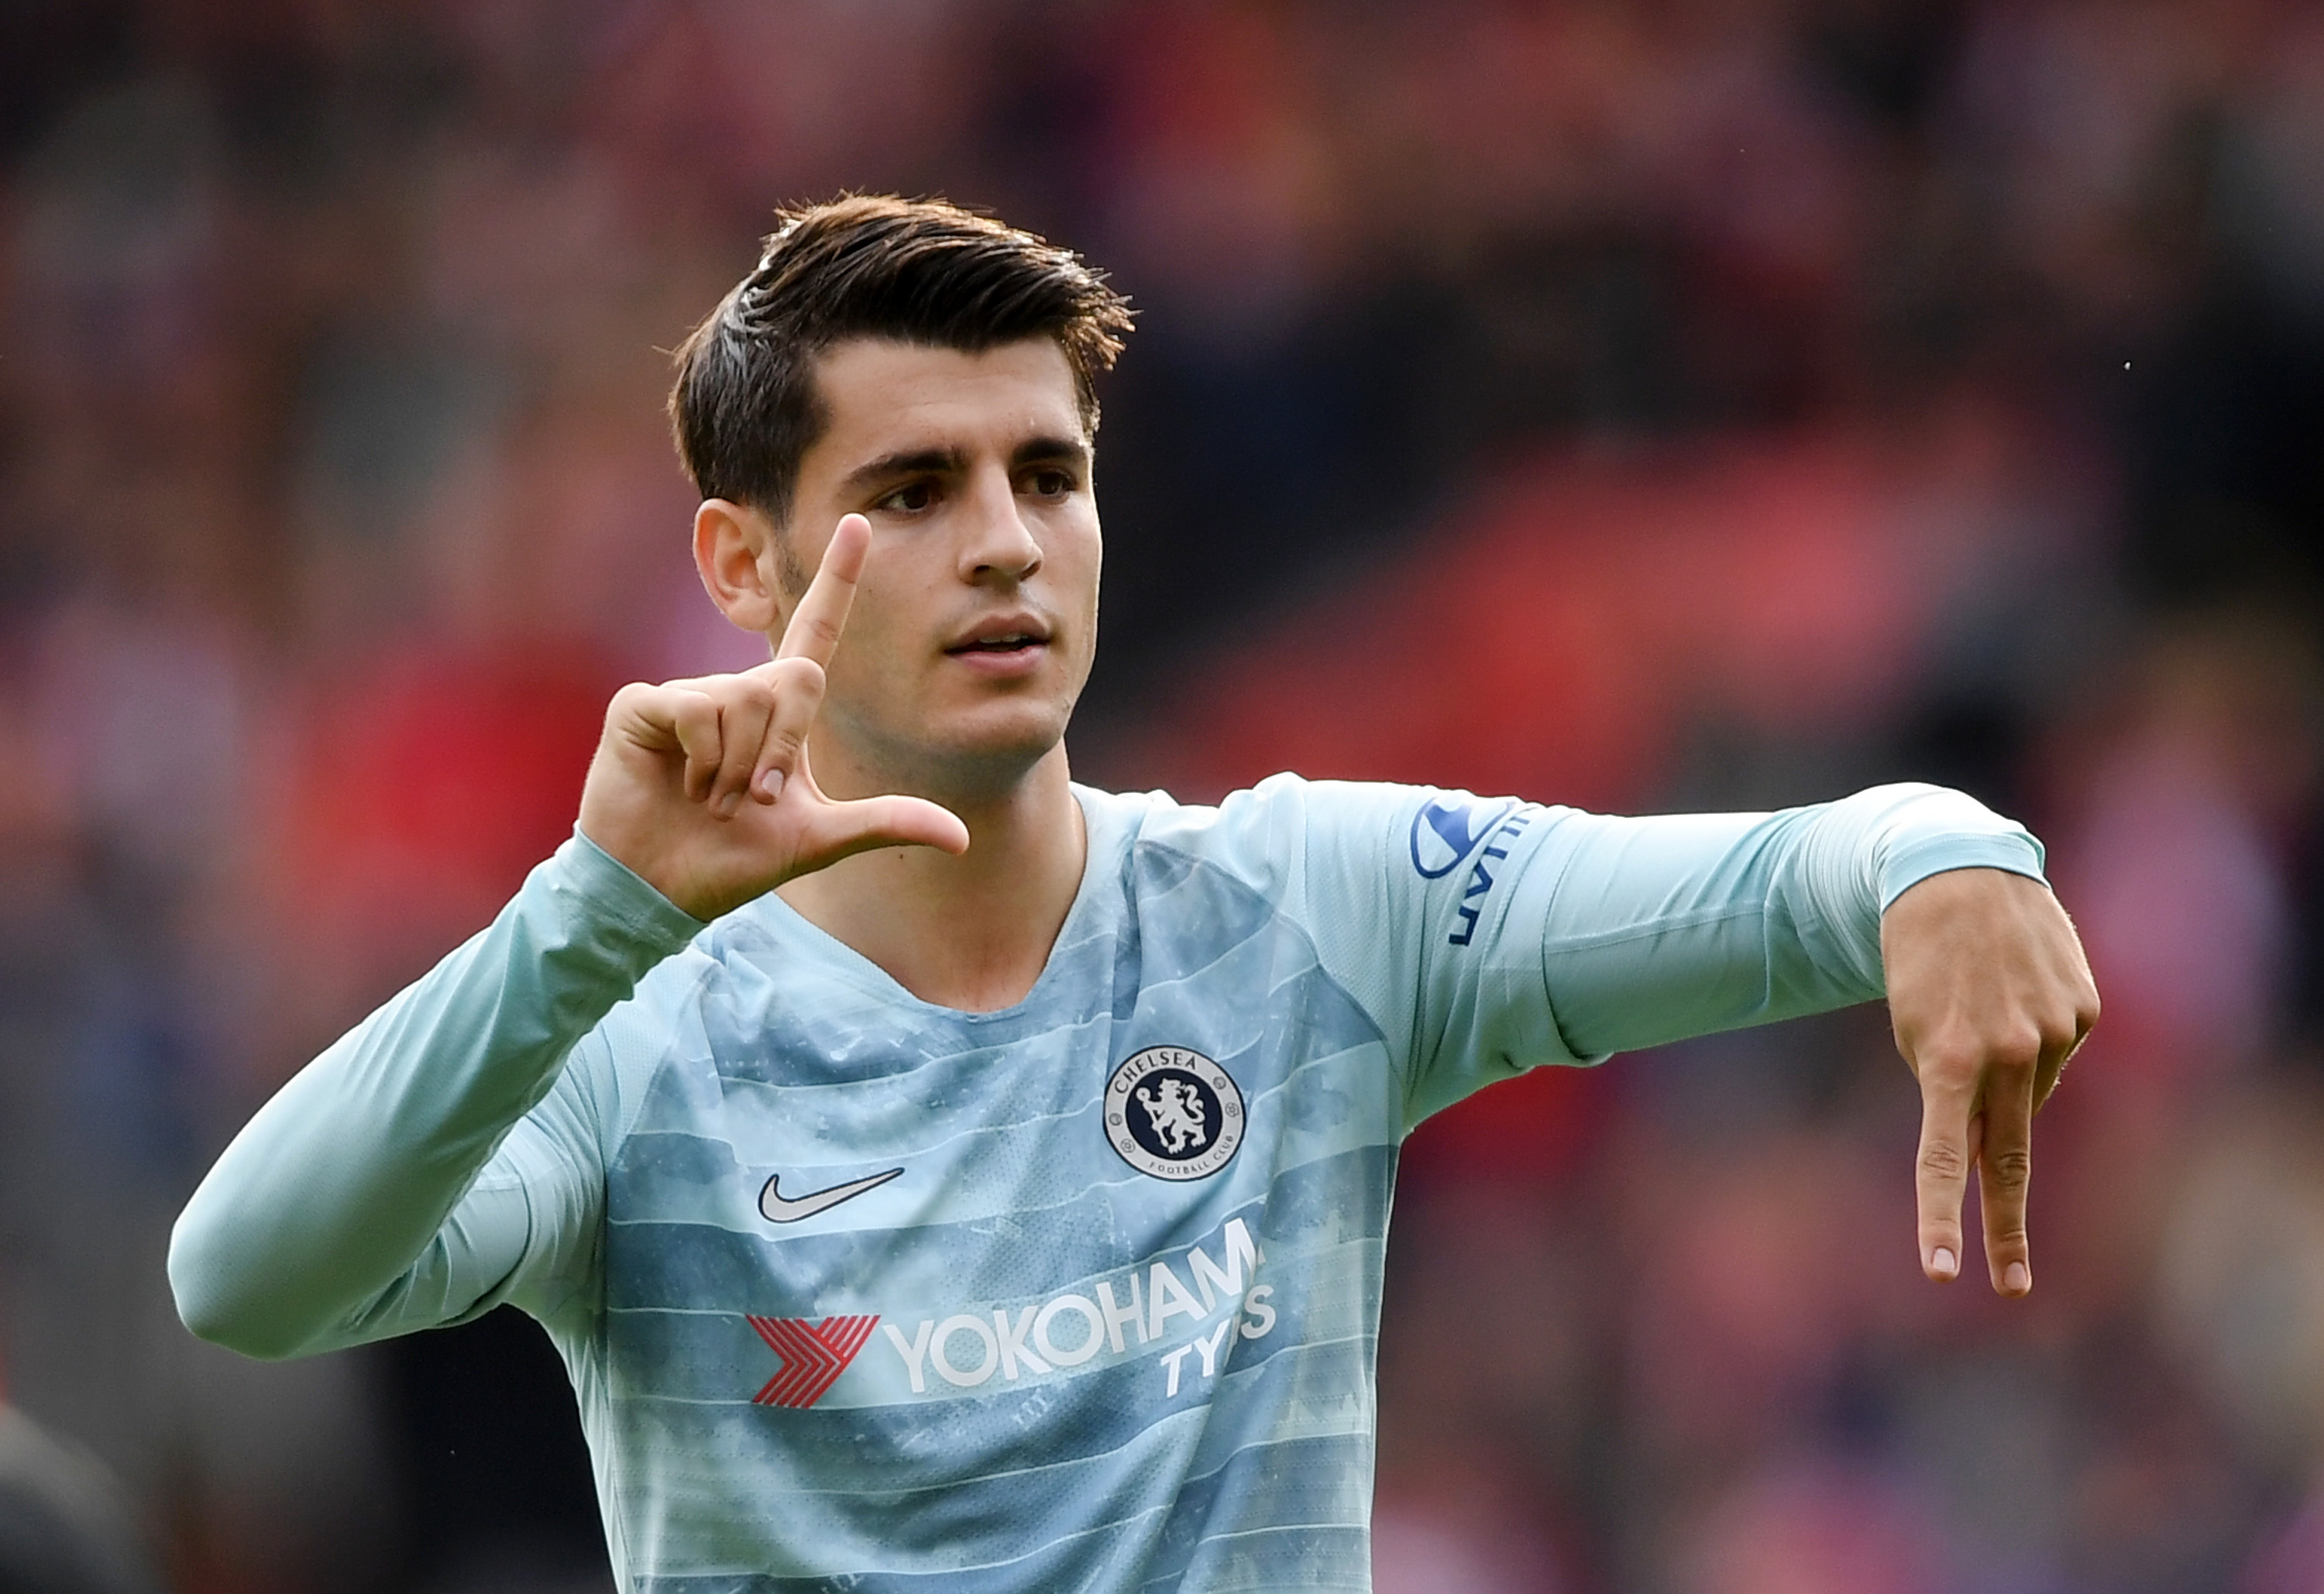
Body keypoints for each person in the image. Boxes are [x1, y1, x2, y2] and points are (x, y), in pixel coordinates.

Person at [169, 196, 2099, 1591]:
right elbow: (242, 1282)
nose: (1007, 542)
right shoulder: (632, 1028)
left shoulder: (1309, 907)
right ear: (741, 569)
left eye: (1048, 472)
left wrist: (1948, 853)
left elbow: (1792, 876)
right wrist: (590, 913)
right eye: (914, 491)